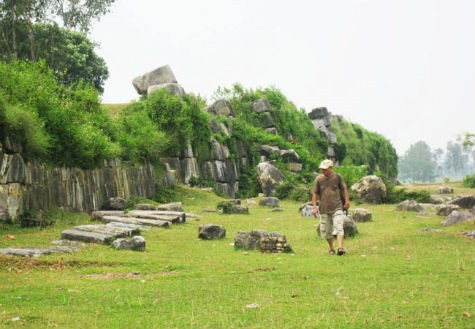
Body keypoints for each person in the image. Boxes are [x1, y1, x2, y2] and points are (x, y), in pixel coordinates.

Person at [311, 159, 350, 256]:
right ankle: (332, 248)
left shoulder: (337, 177)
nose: (323, 171)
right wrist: (314, 207)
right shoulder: (318, 179)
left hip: (337, 206)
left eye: (325, 169)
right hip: (324, 209)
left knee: (339, 226)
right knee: (326, 231)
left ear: (331, 168)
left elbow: (344, 189)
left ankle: (340, 248)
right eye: (322, 169)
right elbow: (315, 193)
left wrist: (347, 201)